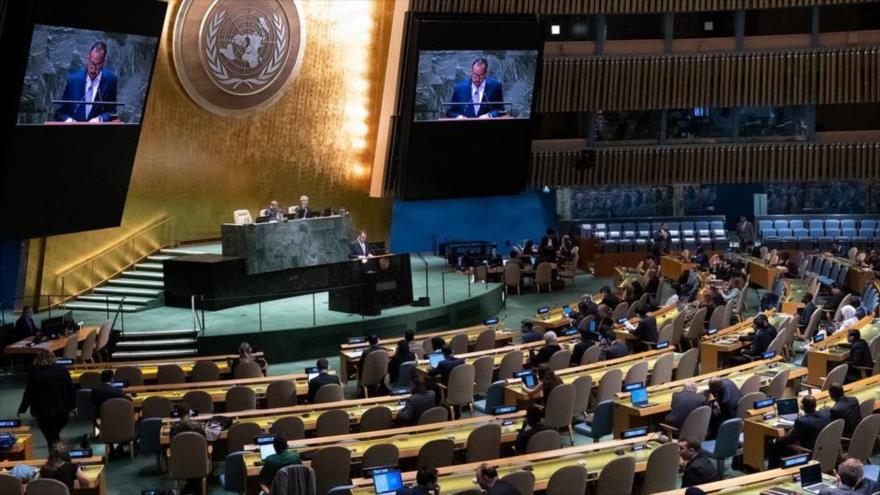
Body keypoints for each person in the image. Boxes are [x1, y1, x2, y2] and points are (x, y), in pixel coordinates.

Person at [17, 352, 75, 447]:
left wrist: (22, 408)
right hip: (62, 409)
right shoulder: (63, 370)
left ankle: (56, 456)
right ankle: (57, 456)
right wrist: (73, 405)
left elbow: (29, 393)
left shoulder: (35, 373)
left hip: (43, 411)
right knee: (53, 436)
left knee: (50, 437)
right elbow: (70, 389)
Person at [57, 41, 118, 123]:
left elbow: (112, 112)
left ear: (103, 62)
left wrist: (100, 119)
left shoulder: (110, 80)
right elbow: (60, 112)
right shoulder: (73, 80)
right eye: (92, 63)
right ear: (88, 58)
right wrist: (68, 120)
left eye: (98, 64)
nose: (93, 68)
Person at [769, 395, 830, 467]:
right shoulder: (826, 414)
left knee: (774, 444)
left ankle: (773, 469)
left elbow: (790, 439)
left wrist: (775, 441)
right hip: (825, 447)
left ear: (802, 407)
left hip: (809, 450)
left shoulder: (802, 421)